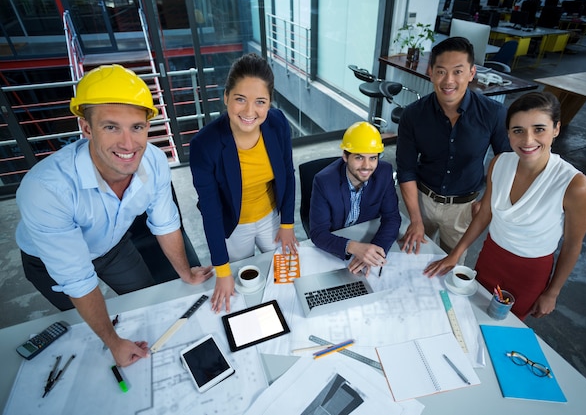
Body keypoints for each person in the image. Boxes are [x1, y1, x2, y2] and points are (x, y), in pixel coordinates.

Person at [15, 64, 213, 367]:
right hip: (48, 262)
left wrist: (185, 273)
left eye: (136, 127)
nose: (128, 144)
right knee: (86, 328)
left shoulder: (155, 161)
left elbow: (165, 223)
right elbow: (77, 278)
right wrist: (113, 341)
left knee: (146, 303)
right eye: (111, 127)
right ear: (86, 127)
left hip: (114, 246)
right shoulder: (46, 189)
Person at [424, 92, 586, 320]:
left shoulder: (575, 185)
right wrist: (456, 253)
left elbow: (573, 245)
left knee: (503, 327)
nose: (528, 140)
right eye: (518, 131)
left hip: (529, 271)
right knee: (472, 314)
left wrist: (552, 292)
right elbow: (485, 213)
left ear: (556, 129)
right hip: (490, 257)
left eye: (539, 129)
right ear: (508, 133)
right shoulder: (499, 162)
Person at [190, 53, 298, 313]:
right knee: (241, 284)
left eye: (260, 102)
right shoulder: (204, 145)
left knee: (283, 278)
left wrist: (287, 223)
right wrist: (222, 270)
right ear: (226, 96)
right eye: (240, 99)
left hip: (271, 216)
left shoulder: (278, 123)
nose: (250, 112)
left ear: (269, 103)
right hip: (234, 223)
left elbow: (287, 174)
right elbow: (211, 211)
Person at [396, 36, 511, 261]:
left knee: (451, 269)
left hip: (464, 207)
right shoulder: (413, 114)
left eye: (458, 71)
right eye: (441, 71)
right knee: (410, 261)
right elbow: (406, 169)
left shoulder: (493, 113)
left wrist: (488, 200)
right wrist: (416, 220)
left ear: (472, 73)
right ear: (430, 72)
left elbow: (506, 163)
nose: (448, 80)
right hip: (422, 200)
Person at [309, 122, 401, 276]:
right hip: (336, 243)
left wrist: (373, 252)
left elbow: (392, 218)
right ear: (345, 156)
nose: (367, 166)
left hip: (365, 233)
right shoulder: (324, 181)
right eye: (359, 157)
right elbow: (318, 233)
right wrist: (354, 247)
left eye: (373, 158)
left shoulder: (384, 173)